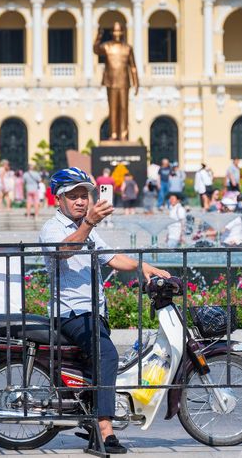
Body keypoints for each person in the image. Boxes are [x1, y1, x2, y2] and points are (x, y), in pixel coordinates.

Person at [39, 167, 169, 454]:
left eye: (84, 195)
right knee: (107, 354)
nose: (80, 201)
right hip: (71, 313)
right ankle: (104, 429)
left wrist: (145, 267)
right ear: (58, 199)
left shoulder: (85, 229)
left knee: (98, 363)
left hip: (92, 313)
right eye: (73, 196)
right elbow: (63, 251)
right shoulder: (54, 228)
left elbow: (111, 258)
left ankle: (89, 415)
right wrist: (88, 223)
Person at [93, 22, 139, 141]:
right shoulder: (107, 46)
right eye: (115, 31)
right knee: (113, 109)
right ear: (112, 33)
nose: (117, 33)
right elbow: (96, 50)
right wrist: (98, 36)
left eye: (119, 31)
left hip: (124, 82)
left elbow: (133, 67)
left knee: (124, 108)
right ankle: (113, 134)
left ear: (122, 32)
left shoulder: (127, 48)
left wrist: (136, 83)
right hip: (111, 81)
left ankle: (124, 134)